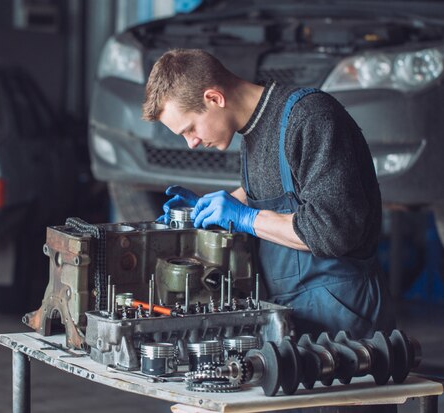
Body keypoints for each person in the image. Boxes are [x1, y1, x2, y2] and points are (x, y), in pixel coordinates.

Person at [143, 48, 395, 341]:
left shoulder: (310, 119)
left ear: (214, 98)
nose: (192, 143)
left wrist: (244, 217)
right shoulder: (254, 132)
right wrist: (210, 208)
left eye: (190, 129)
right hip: (295, 311)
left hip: (345, 314)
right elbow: (278, 194)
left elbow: (331, 232)